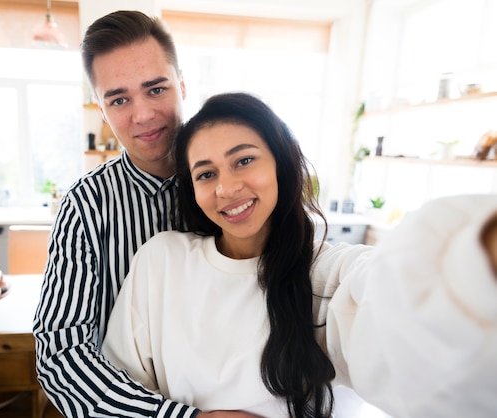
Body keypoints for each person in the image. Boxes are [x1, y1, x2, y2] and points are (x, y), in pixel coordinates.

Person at [102, 92, 497, 417]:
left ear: (281, 163)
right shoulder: (162, 261)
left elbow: (397, 304)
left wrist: (476, 257)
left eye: (243, 160)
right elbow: (116, 384)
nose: (226, 188)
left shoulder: (328, 273)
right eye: (206, 174)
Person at [33, 10, 260, 418]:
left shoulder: (238, 192)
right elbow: (61, 353)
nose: (141, 114)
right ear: (101, 112)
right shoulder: (85, 207)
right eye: (118, 99)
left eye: (156, 90)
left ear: (183, 86)